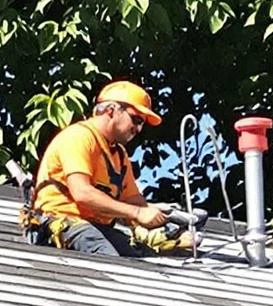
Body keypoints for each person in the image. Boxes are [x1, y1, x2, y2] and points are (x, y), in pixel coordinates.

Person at [21, 81, 186, 257]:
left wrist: (165, 216)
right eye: (136, 120)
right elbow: (82, 193)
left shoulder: (119, 154)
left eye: (142, 124)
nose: (138, 129)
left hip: (95, 227)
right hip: (61, 222)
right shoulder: (79, 137)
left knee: (143, 258)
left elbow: (132, 201)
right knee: (110, 259)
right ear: (111, 110)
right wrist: (138, 213)